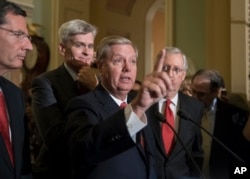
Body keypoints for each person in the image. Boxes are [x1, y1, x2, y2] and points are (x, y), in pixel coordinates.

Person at [64, 35, 173, 179]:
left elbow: (150, 158)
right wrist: (137, 108)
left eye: (133, 61)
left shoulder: (145, 105)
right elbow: (83, 151)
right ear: (101, 67)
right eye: (118, 61)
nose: (127, 68)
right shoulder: (83, 105)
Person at [31, 19, 98, 178]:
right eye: (79, 45)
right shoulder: (45, 83)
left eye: (90, 46)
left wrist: (96, 88)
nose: (86, 52)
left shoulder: (100, 84)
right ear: (62, 48)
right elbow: (55, 140)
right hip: (58, 172)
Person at [146, 47, 204, 179]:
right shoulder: (142, 103)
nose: (170, 74)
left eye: (176, 70)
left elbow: (196, 153)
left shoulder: (194, 107)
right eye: (165, 68)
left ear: (183, 75)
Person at [191, 69, 250, 179]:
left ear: (216, 92)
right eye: (192, 92)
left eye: (201, 94)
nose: (194, 98)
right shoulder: (185, 111)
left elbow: (242, 160)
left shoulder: (235, 116)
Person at [0, 0, 33, 178]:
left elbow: (23, 166)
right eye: (18, 34)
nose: (28, 46)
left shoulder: (15, 95)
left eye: (28, 37)